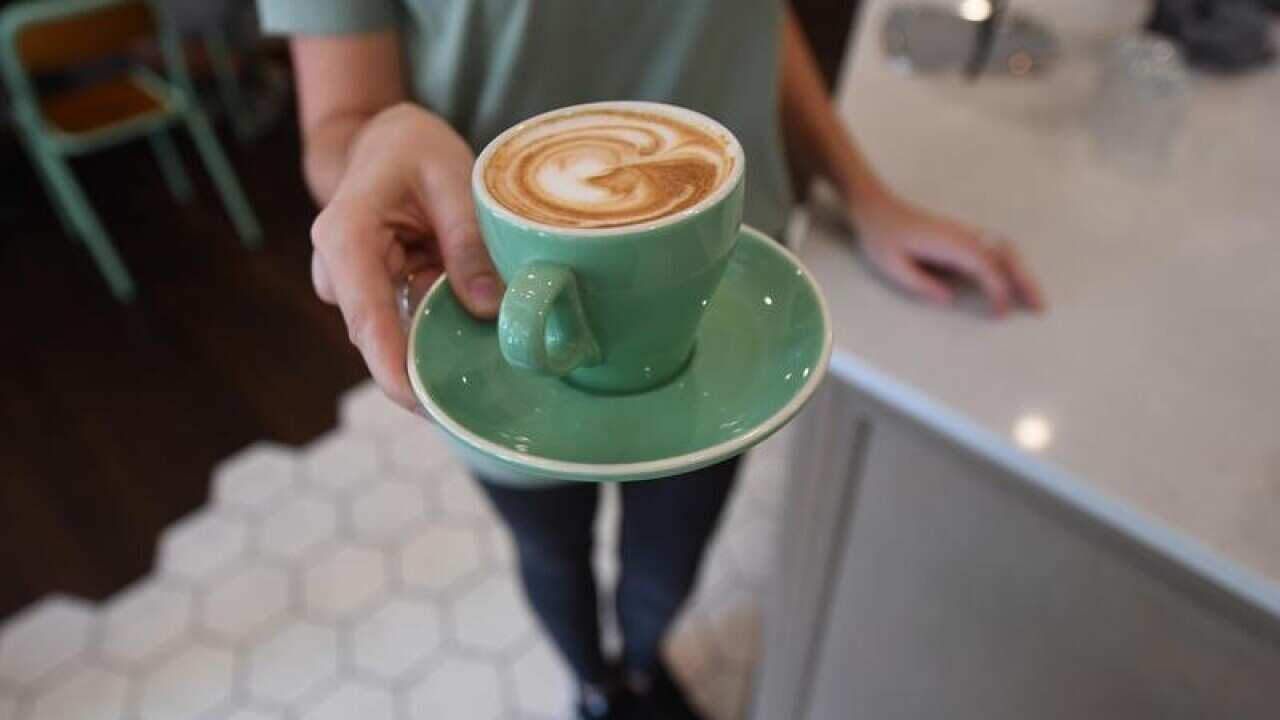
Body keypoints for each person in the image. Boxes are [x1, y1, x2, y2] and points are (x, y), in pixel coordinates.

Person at [259, 2, 1042, 718]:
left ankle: (641, 664)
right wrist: (374, 140)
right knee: (550, 552)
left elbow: (753, 22)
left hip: (718, 293)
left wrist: (866, 194)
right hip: (503, 315)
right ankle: (594, 686)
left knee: (669, 559)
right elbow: (339, 119)